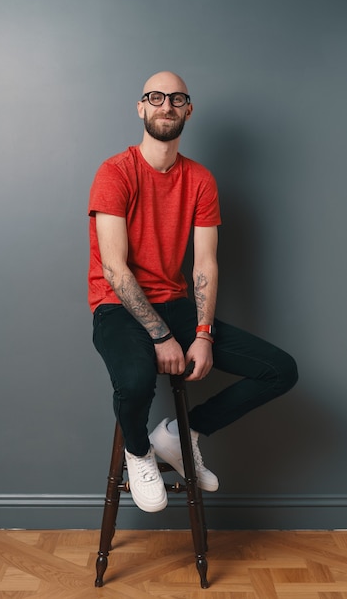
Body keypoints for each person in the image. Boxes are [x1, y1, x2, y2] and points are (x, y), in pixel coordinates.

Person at [88, 71, 298, 513]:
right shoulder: (115, 172)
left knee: (279, 370)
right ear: (141, 107)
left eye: (177, 98)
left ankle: (181, 437)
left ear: (188, 109)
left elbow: (204, 263)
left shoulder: (200, 179)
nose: (167, 105)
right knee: (136, 378)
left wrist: (201, 333)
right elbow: (114, 267)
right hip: (117, 308)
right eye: (156, 97)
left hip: (177, 305)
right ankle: (140, 451)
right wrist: (162, 337)